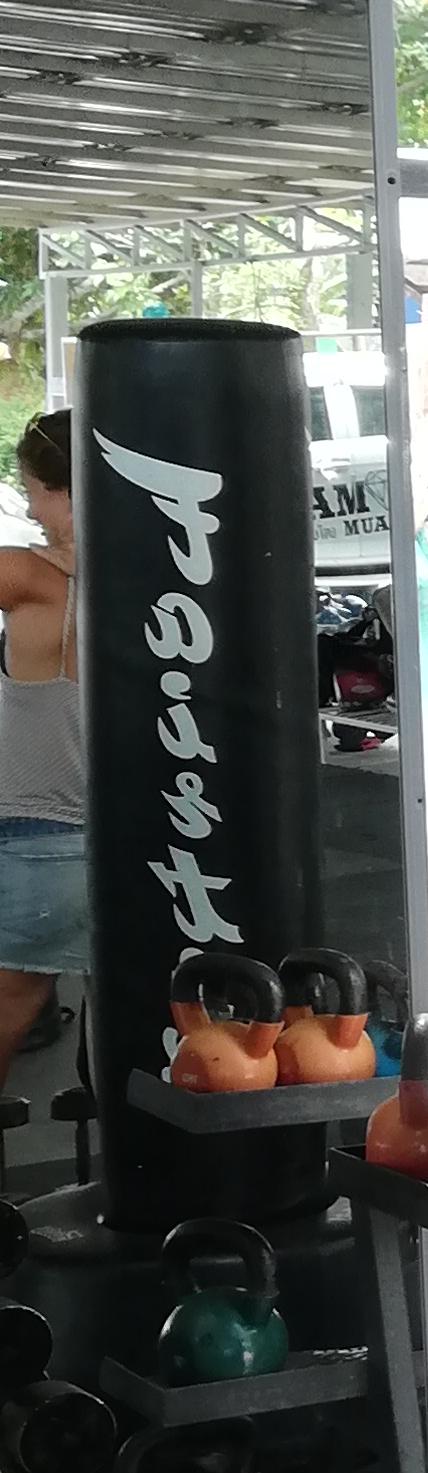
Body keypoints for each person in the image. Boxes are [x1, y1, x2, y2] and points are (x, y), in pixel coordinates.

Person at [0, 408, 83, 1120]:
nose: (29, 509)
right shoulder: (165, 583)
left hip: (42, 837)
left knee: (5, 1017)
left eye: (33, 490)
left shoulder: (25, 575)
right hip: (146, 841)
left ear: (63, 490)